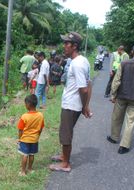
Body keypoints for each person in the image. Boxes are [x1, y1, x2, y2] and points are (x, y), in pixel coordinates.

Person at [49, 32, 92, 172]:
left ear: (74, 46)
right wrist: (85, 106)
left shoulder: (78, 64)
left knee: (65, 134)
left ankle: (65, 164)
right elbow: (89, 83)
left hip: (71, 105)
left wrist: (85, 106)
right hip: (73, 104)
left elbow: (84, 89)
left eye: (67, 43)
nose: (64, 46)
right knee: (66, 131)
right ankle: (63, 156)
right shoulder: (81, 60)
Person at [106, 43, 134, 154]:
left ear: (132, 52)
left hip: (122, 96)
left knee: (116, 117)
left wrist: (113, 94)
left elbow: (116, 80)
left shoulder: (124, 63)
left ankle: (114, 137)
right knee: (130, 122)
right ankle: (124, 146)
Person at [17, 94, 44, 176]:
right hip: (35, 139)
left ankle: (23, 171)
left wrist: (19, 138)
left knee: (25, 155)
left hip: (25, 139)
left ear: (28, 104)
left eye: (25, 103)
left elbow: (20, 129)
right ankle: (30, 168)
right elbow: (41, 128)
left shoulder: (24, 116)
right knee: (32, 154)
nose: (25, 105)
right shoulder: (40, 115)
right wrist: (38, 136)